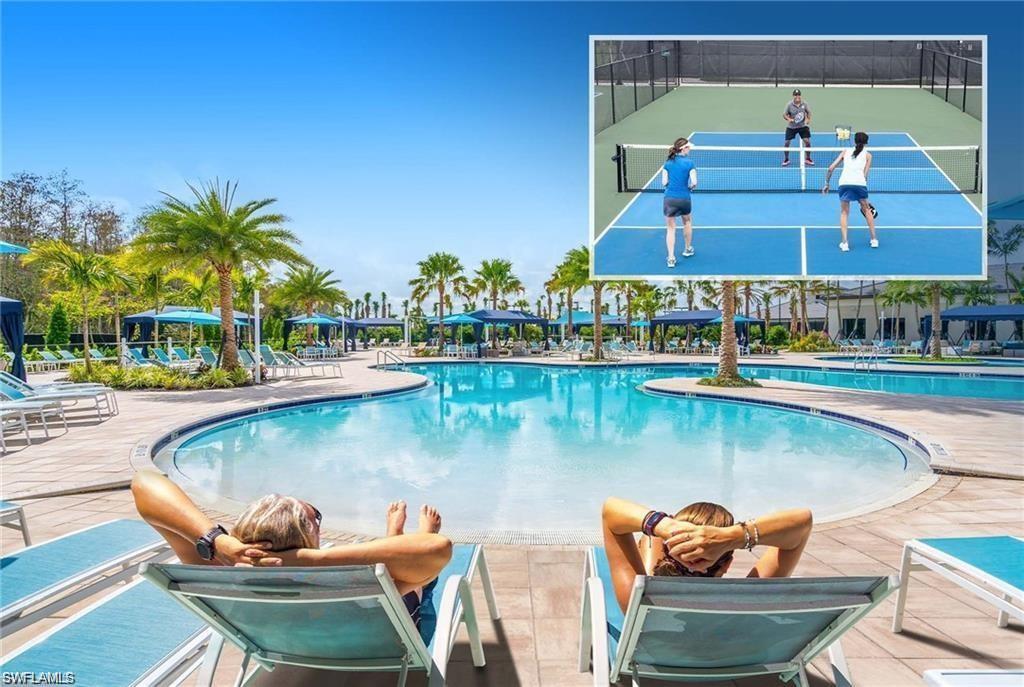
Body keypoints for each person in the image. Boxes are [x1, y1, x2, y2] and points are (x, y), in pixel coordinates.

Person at [131, 470, 452, 624]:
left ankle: (394, 537)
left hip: (291, 646)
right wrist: (310, 560)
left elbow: (144, 481)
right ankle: (395, 538)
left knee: (398, 571)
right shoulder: (350, 583)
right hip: (386, 638)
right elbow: (437, 549)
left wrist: (218, 541)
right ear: (309, 539)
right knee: (416, 582)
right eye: (316, 516)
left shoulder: (222, 577)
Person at [601, 496, 813, 612]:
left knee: (650, 538)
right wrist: (734, 536)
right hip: (725, 666)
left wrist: (664, 527)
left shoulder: (637, 602)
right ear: (727, 564)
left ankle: (663, 538)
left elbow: (611, 510)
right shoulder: (749, 602)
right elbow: (803, 522)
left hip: (651, 664)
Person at [823, 131, 879, 252]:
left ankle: (845, 243)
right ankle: (874, 240)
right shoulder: (868, 156)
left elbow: (830, 168)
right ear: (866, 143)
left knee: (844, 213)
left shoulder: (845, 152)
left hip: (844, 184)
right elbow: (865, 175)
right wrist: (862, 195)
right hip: (860, 184)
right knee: (867, 210)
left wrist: (827, 184)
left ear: (854, 141)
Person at [661, 137, 698, 267]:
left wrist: (672, 187)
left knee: (671, 228)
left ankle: (671, 258)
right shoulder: (690, 163)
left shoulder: (667, 163)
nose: (690, 149)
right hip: (684, 198)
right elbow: (694, 183)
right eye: (689, 147)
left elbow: (664, 182)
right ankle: (687, 249)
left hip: (669, 199)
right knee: (687, 222)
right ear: (683, 149)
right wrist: (689, 188)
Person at [782, 89, 813, 167]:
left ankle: (808, 158)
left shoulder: (804, 104)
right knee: (787, 143)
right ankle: (786, 159)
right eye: (795, 95)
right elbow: (784, 115)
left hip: (802, 126)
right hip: (792, 127)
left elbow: (809, 112)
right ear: (793, 96)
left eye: (798, 95)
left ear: (800, 95)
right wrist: (789, 119)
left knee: (807, 142)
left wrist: (808, 119)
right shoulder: (789, 105)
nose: (797, 96)